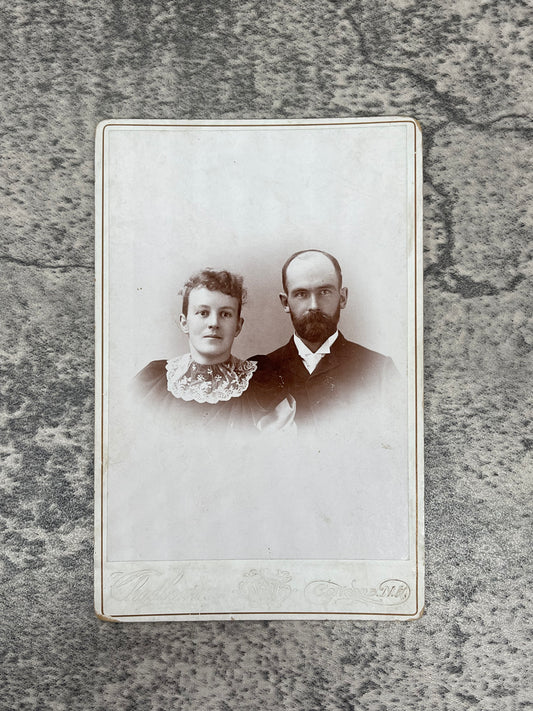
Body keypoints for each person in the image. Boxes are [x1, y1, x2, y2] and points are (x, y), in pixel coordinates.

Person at [257, 249, 400, 434]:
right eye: (301, 294)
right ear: (285, 302)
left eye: (324, 291)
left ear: (342, 298)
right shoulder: (261, 373)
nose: (314, 305)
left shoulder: (380, 370)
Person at [134, 268, 294, 433]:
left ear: (238, 326)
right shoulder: (153, 382)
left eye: (225, 314)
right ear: (184, 322)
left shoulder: (261, 387)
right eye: (203, 313)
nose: (214, 323)